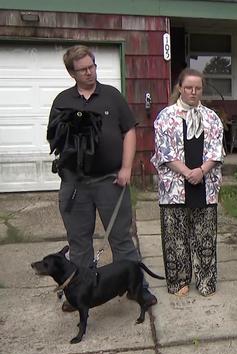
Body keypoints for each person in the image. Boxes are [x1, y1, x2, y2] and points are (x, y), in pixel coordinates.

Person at [48, 45, 156, 310]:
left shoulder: (111, 96)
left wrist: (126, 168)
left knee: (121, 238)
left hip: (110, 180)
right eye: (83, 69)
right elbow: (53, 139)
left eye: (92, 66)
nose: (90, 72)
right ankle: (79, 293)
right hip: (75, 184)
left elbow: (129, 130)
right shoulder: (62, 101)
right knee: (79, 241)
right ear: (71, 73)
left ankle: (137, 288)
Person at [151, 68, 225, 297]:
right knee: (176, 237)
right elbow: (164, 152)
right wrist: (187, 173)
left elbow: (217, 150)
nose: (193, 92)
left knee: (205, 237)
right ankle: (179, 281)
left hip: (206, 184)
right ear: (180, 88)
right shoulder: (166, 117)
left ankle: (206, 281)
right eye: (189, 87)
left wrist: (201, 171)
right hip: (174, 187)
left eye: (198, 88)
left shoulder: (211, 118)